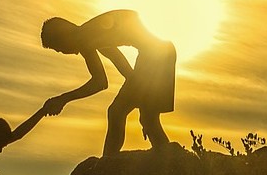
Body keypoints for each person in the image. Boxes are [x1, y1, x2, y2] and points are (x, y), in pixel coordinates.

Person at [40, 8, 176, 155]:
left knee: (118, 112)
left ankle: (108, 162)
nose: (64, 52)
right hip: (161, 53)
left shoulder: (85, 38)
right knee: (147, 119)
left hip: (155, 57)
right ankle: (166, 160)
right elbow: (123, 66)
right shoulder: (91, 33)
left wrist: (63, 99)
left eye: (59, 49)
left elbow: (100, 82)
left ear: (64, 37)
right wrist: (141, 99)